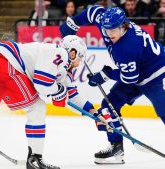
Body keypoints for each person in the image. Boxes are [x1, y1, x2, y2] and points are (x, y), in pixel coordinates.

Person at [0, 35, 107, 169]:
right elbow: (42, 85)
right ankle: (35, 159)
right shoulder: (59, 54)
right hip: (5, 68)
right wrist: (59, 92)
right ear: (73, 53)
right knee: (37, 107)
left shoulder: (61, 68)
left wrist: (95, 114)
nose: (79, 64)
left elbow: (72, 95)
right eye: (80, 58)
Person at [59, 6, 165, 164]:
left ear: (124, 25)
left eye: (114, 30)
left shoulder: (128, 46)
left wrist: (106, 75)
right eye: (107, 30)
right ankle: (117, 149)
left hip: (152, 72)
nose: (110, 34)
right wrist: (73, 23)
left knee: (162, 108)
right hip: (136, 68)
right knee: (109, 105)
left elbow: (130, 78)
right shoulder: (106, 22)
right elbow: (93, 12)